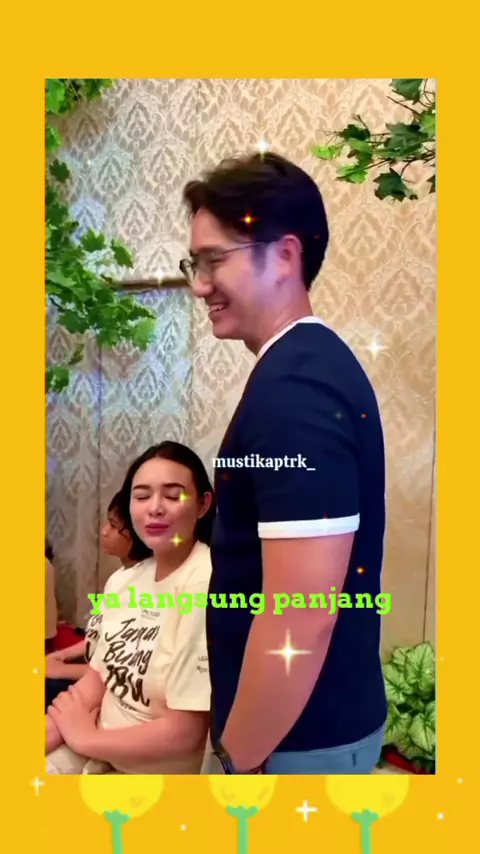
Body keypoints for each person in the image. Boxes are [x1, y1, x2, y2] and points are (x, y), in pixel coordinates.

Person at [180, 152, 388, 774]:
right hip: (310, 733)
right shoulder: (308, 367)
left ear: (286, 256)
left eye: (214, 260)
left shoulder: (294, 390)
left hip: (295, 747)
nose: (199, 285)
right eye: (195, 264)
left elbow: (300, 613)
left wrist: (235, 758)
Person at [46, 441, 215, 774]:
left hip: (150, 772)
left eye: (173, 495)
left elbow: (185, 734)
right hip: (96, 744)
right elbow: (96, 681)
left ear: (203, 505)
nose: (155, 508)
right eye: (141, 496)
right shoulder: (124, 580)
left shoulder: (205, 585)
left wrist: (86, 739)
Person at [45, 492, 151, 710]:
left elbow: (124, 670)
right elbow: (99, 636)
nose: (104, 531)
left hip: (111, 685)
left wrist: (61, 670)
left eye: (113, 525)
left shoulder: (146, 587)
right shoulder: (120, 577)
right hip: (93, 666)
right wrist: (61, 655)